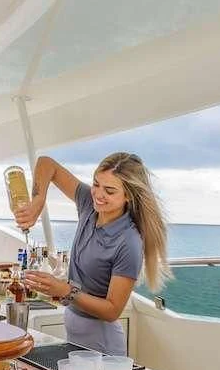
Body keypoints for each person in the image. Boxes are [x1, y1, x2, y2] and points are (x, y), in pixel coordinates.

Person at [16, 152, 171, 355]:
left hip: (103, 343)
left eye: (109, 191)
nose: (98, 194)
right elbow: (47, 164)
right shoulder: (89, 205)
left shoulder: (128, 242)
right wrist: (38, 200)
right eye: (96, 184)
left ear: (128, 196)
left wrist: (65, 290)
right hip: (75, 333)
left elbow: (112, 310)